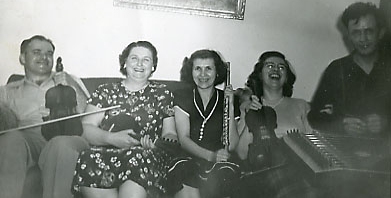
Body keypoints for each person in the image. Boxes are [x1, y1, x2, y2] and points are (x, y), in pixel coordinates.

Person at [71, 41, 177, 198]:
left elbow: (171, 133)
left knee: (139, 158)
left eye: (146, 60)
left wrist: (159, 144)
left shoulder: (162, 93)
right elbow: (86, 128)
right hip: (103, 154)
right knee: (88, 157)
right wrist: (111, 138)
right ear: (124, 62)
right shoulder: (106, 91)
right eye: (134, 58)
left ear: (153, 66)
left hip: (144, 156)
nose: (139, 64)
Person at [0, 35, 90, 198]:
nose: (44, 57)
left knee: (60, 145)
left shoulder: (69, 80)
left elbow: (89, 112)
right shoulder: (7, 91)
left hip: (67, 137)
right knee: (11, 139)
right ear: (22, 58)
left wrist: (71, 85)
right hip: (29, 141)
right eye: (37, 52)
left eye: (49, 53)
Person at [236, 51, 316, 198]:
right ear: (260, 75)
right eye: (270, 66)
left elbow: (313, 147)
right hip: (265, 170)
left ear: (286, 78)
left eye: (281, 67)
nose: (275, 70)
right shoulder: (247, 106)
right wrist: (251, 118)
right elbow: (241, 154)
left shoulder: (301, 105)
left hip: (298, 168)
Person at [308, 2, 391, 138]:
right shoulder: (336, 69)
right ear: (349, 36)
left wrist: (386, 122)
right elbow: (315, 117)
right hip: (345, 151)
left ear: (380, 33)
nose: (363, 39)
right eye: (356, 33)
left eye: (369, 31)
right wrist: (341, 125)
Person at [171, 49, 240, 198]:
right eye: (198, 69)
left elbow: (233, 144)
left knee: (225, 177)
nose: (203, 75)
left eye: (208, 68)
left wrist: (231, 106)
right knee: (185, 173)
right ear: (191, 72)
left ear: (217, 72)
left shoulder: (227, 99)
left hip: (219, 161)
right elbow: (183, 139)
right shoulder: (182, 96)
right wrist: (211, 156)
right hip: (188, 157)